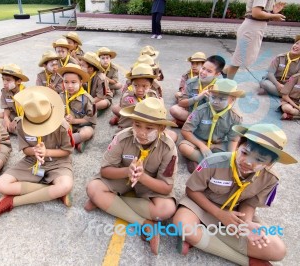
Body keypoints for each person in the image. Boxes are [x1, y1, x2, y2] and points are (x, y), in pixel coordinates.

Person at [173, 123, 297, 265]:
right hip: (201, 206)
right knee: (183, 225)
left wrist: (246, 224)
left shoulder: (270, 179)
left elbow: (250, 202)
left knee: (278, 250)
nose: (248, 162)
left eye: (260, 160)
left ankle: (201, 238)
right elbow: (192, 190)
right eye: (245, 153)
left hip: (236, 212)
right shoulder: (213, 162)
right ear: (238, 146)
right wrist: (220, 215)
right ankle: (246, 260)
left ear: (271, 163)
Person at [85, 97, 178, 255]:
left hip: (149, 182)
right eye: (137, 125)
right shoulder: (122, 137)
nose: (141, 132)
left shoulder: (168, 147)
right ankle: (144, 223)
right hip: (122, 176)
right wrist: (127, 171)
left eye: (149, 128)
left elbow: (166, 187)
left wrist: (142, 177)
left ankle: (108, 202)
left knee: (166, 210)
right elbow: (105, 170)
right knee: (93, 188)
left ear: (162, 128)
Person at [0, 86, 74, 221]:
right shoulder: (21, 124)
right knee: (0, 184)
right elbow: (25, 149)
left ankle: (12, 202)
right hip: (32, 161)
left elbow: (67, 151)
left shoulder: (63, 126)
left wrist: (47, 152)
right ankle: (53, 192)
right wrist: (34, 151)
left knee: (65, 185)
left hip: (58, 163)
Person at [179, 79, 244, 173]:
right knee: (183, 147)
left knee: (238, 154)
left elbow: (233, 140)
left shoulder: (235, 117)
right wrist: (202, 146)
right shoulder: (201, 110)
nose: (215, 102)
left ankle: (202, 163)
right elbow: (185, 131)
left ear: (232, 100)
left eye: (222, 99)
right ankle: (212, 164)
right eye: (213, 97)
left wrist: (230, 157)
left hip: (218, 144)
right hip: (198, 141)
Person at [223, 1, 286, 79]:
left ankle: (225, 72)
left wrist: (273, 12)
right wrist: (274, 15)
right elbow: (256, 13)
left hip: (255, 28)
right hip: (252, 28)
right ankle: (228, 83)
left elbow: (260, 13)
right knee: (239, 59)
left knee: (243, 58)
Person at [170, 55, 226, 127]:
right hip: (192, 114)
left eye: (209, 71)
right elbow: (181, 103)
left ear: (217, 74)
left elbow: (222, 110)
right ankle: (194, 125)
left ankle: (185, 124)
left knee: (220, 121)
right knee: (174, 109)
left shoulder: (220, 87)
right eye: (203, 68)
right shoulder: (191, 82)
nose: (203, 72)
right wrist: (198, 97)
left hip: (207, 117)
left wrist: (211, 99)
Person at [58, 63, 96, 153]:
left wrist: (74, 121)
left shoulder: (87, 99)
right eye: (66, 82)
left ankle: (66, 143)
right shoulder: (60, 96)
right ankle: (75, 142)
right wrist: (63, 120)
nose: (70, 86)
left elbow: (91, 120)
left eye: (73, 82)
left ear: (81, 82)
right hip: (65, 126)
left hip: (82, 125)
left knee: (87, 133)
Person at [0, 63, 29, 134]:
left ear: (18, 81)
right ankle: (8, 128)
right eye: (3, 79)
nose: (4, 83)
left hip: (25, 118)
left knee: (25, 129)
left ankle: (8, 129)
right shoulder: (5, 91)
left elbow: (29, 114)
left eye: (8, 80)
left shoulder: (26, 93)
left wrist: (17, 120)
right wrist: (6, 118)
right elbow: (7, 108)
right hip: (13, 114)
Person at [78, 51, 113, 115]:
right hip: (91, 96)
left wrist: (87, 103)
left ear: (91, 69)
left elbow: (100, 97)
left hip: (102, 98)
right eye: (80, 65)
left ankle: (89, 112)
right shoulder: (84, 75)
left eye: (82, 65)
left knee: (101, 103)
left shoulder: (101, 79)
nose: (80, 67)